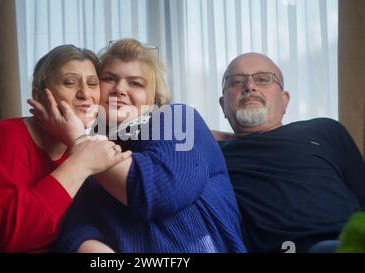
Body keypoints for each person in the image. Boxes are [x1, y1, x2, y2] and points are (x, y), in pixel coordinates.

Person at [31, 38, 247, 252]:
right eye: (109, 79)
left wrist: (77, 138)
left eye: (135, 83)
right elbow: (74, 229)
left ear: (154, 97)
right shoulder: (91, 152)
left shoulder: (179, 119)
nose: (119, 90)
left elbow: (158, 190)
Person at [0, 45, 131, 252]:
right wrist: (81, 163)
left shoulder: (83, 147)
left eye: (93, 84)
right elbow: (12, 239)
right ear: (38, 95)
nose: (85, 93)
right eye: (69, 82)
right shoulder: (5, 137)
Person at [217, 52, 365, 252]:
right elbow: (171, 129)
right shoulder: (215, 153)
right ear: (223, 105)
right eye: (236, 82)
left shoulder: (324, 130)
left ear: (284, 100)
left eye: (263, 79)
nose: (250, 86)